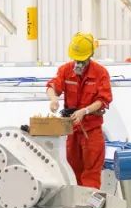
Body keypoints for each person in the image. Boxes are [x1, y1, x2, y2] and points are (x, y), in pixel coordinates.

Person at [46, 32, 113, 189]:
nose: (78, 63)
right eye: (76, 59)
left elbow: (103, 100)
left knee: (91, 175)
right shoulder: (65, 70)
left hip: (92, 132)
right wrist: (53, 99)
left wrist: (85, 111)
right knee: (72, 174)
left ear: (90, 56)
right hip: (72, 132)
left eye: (81, 60)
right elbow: (52, 86)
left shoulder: (100, 73)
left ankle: (89, 204)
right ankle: (75, 204)